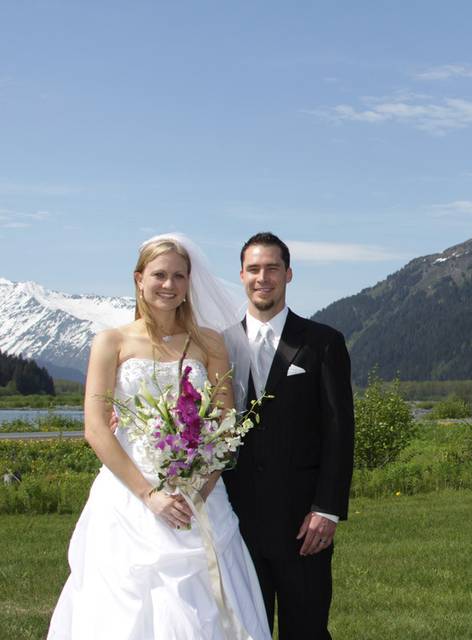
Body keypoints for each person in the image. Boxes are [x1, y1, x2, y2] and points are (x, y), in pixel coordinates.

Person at [48, 235, 271, 640]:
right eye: (159, 275)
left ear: (190, 282)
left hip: (199, 492)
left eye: (178, 276)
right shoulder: (111, 342)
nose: (169, 285)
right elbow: (96, 427)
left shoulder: (209, 342)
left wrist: (200, 490)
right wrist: (149, 496)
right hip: (129, 495)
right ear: (138, 279)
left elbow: (225, 424)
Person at [222, 232, 355, 640]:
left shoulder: (322, 342)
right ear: (241, 275)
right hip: (236, 521)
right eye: (254, 269)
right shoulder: (220, 346)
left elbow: (340, 430)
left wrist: (327, 509)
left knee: (306, 630)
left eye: (273, 269)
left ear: (288, 274)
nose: (263, 277)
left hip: (304, 523)